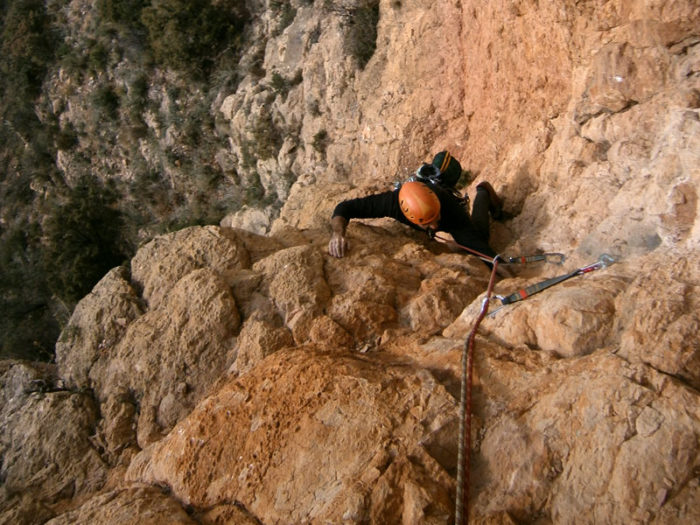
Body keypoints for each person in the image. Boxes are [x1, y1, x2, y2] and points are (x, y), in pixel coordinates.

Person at [328, 151, 504, 263]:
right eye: (428, 223)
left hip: (451, 212)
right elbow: (344, 208)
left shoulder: (451, 211)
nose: (435, 226)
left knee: (480, 238)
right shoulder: (392, 203)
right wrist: (338, 234)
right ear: (407, 214)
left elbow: (486, 254)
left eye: (436, 219)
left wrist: (506, 269)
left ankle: (483, 191)